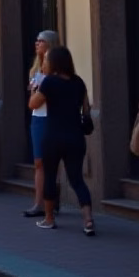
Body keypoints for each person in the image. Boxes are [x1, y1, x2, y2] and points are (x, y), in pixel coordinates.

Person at [32, 46, 95, 235]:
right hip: (75, 136)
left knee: (50, 176)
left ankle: (49, 218)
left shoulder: (49, 82)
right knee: (77, 179)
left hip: (53, 136)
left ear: (54, 63)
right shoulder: (79, 83)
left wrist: (37, 87)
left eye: (47, 60)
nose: (44, 62)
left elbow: (33, 104)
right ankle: (88, 219)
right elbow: (86, 109)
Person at [23, 30, 59, 218]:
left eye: (41, 41)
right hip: (38, 117)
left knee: (51, 161)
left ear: (51, 44)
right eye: (36, 40)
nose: (37, 43)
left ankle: (51, 199)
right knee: (39, 162)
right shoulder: (35, 70)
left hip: (52, 118)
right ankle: (39, 202)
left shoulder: (58, 70)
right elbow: (33, 99)